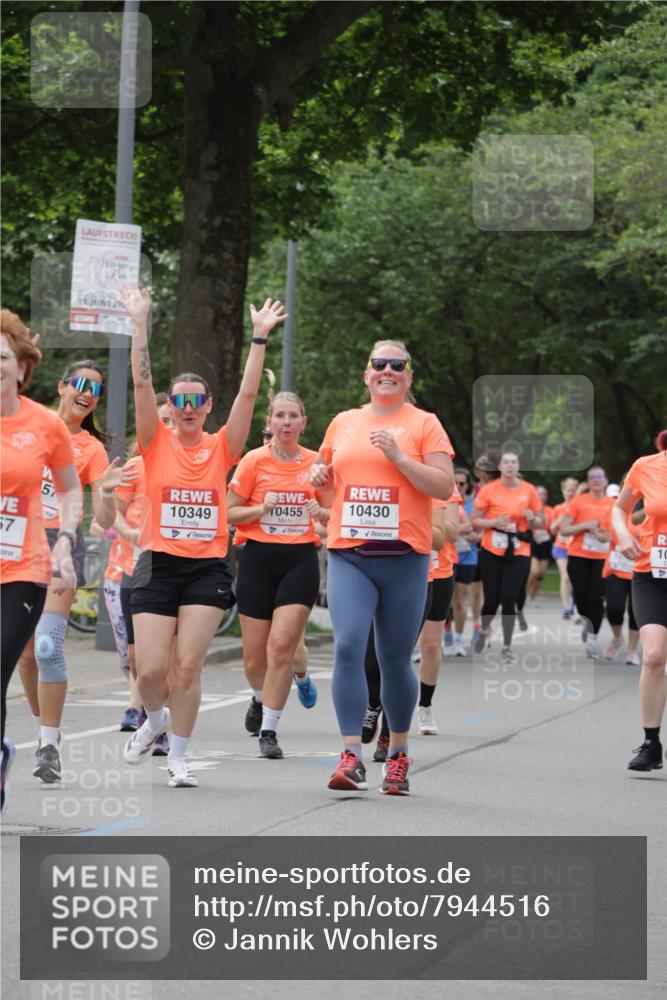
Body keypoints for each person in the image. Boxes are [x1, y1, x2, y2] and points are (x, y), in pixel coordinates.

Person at [119, 285, 286, 788]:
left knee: (186, 668)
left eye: (197, 401)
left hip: (206, 567)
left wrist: (258, 338)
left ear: (208, 406)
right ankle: (155, 720)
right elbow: (142, 385)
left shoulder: (223, 447)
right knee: (150, 672)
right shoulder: (154, 442)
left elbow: (250, 395)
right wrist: (140, 322)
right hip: (156, 563)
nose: (188, 408)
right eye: (181, 401)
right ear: (173, 407)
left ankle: (179, 758)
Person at [310, 339, 454, 795]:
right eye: (379, 363)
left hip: (405, 559)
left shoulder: (424, 424)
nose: (387, 370)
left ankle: (398, 754)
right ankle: (351, 754)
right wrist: (316, 479)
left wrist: (398, 455)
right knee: (349, 646)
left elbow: (444, 485)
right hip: (350, 553)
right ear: (366, 373)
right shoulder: (343, 423)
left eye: (397, 364)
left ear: (409, 376)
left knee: (393, 659)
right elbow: (323, 482)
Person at [17, 359, 125, 784]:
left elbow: (105, 517)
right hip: (16, 543)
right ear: (62, 386)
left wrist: (108, 492)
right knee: (25, 652)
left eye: (95, 389)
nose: (87, 392)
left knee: (46, 647)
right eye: (80, 384)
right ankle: (45, 723)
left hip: (60, 545)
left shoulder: (92, 449)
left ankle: (48, 742)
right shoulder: (30, 425)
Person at [1, 310, 81, 809]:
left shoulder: (44, 424)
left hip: (22, 570)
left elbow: (71, 490)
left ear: (21, 366)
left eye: (2, 358)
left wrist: (65, 540)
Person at [227, 388, 324, 759]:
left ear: (303, 422)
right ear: (268, 422)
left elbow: (336, 514)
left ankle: (269, 729)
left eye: (292, 416)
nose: (286, 422)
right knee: (254, 660)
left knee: (281, 646)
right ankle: (258, 697)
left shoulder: (318, 464)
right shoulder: (253, 461)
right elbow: (228, 512)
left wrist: (321, 513)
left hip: (300, 559)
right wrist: (258, 510)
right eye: (279, 416)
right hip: (257, 559)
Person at [612, 430, 667, 772]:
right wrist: (622, 533)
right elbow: (620, 509)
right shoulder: (646, 466)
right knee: (654, 654)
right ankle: (651, 742)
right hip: (652, 571)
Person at [471, 452, 542, 663]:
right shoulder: (488, 490)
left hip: (519, 549)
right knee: (491, 600)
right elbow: (475, 521)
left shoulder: (528, 490)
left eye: (513, 462)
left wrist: (533, 519)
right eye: (506, 463)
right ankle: (484, 629)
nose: (510, 466)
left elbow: (540, 523)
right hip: (492, 549)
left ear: (518, 466)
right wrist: (493, 523)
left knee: (508, 597)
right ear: (500, 467)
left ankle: (507, 647)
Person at [417, 491, 466, 735]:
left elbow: (453, 533)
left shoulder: (446, 489)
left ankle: (425, 705)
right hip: (407, 571)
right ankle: (381, 705)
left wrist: (419, 517)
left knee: (431, 645)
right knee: (396, 646)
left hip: (439, 574)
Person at [559, 466, 614, 658]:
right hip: (578, 556)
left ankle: (592, 639)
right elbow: (564, 530)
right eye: (592, 477)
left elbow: (616, 533)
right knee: (582, 597)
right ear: (588, 482)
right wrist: (584, 526)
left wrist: (604, 535)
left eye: (600, 476)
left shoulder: (613, 504)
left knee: (595, 598)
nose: (596, 480)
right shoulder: (578, 501)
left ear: (606, 481)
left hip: (601, 558)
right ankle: (585, 619)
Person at [601, 482, 641, 665]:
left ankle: (632, 651)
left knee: (636, 611)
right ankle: (617, 637)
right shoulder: (615, 509)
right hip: (615, 568)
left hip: (639, 568)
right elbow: (604, 532)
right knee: (614, 608)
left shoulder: (653, 508)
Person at [452, 467, 481, 654]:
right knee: (446, 601)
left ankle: (458, 640)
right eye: (454, 482)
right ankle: (445, 636)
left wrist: (475, 537)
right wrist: (461, 530)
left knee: (460, 600)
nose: (457, 486)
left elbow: (479, 531)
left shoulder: (473, 505)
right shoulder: (442, 501)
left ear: (467, 485)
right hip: (447, 556)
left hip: (467, 556)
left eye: (461, 483)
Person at [550, 477, 578, 618]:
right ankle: (567, 607)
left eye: (573, 490)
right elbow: (552, 529)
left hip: (576, 548)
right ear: (563, 491)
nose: (571, 492)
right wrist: (561, 520)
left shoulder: (579, 508)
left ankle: (574, 603)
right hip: (560, 547)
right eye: (568, 490)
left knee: (574, 578)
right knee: (565, 576)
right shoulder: (558, 508)